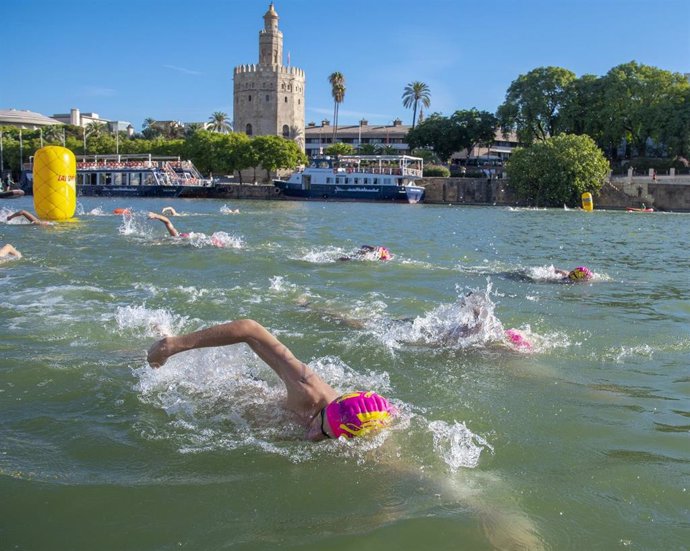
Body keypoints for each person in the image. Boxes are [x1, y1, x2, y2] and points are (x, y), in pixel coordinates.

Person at [147, 319, 395, 441]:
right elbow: (249, 328)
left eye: (327, 437)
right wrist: (175, 346)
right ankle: (165, 339)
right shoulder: (308, 388)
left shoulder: (369, 427)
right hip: (241, 393)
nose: (314, 436)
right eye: (319, 428)